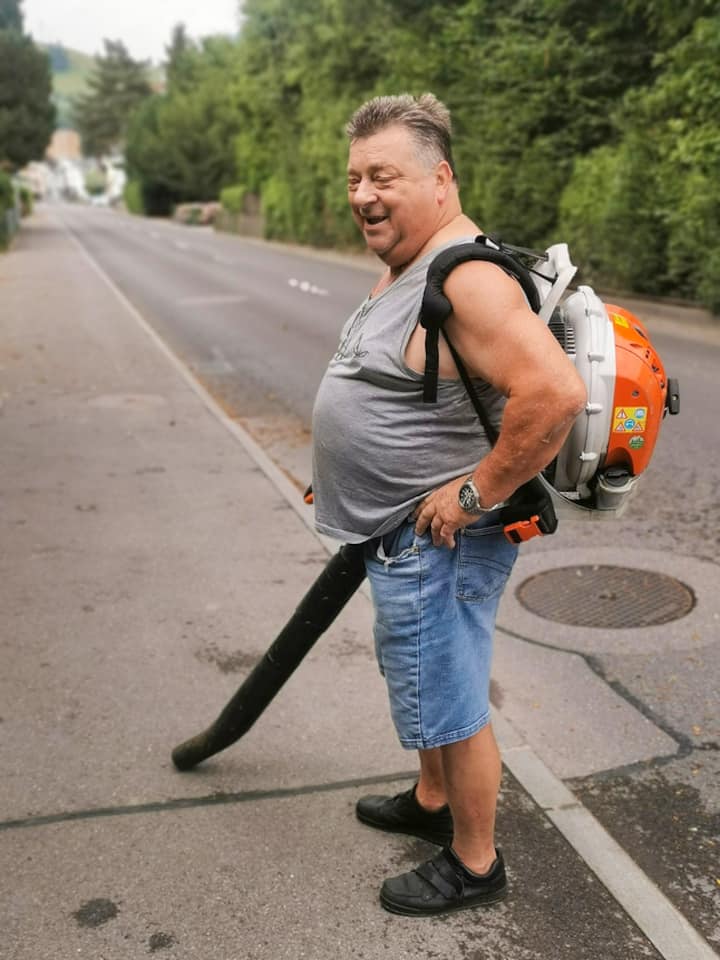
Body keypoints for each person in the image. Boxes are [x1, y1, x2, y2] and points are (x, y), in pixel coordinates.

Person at [311, 93, 587, 917]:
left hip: (440, 540)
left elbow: (555, 392)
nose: (363, 194)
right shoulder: (411, 261)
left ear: (441, 178)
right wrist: (343, 468)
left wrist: (475, 494)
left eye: (383, 176)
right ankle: (431, 804)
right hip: (397, 529)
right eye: (356, 176)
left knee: (452, 698)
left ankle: (474, 861)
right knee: (426, 677)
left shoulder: (464, 277)